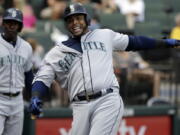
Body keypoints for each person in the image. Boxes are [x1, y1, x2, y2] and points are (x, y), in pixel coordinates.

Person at [29, 3, 180, 135]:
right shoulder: (57, 53)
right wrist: (36, 95)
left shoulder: (104, 35)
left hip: (107, 99)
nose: (75, 22)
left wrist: (165, 43)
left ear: (86, 20)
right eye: (70, 20)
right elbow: (42, 78)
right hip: (79, 105)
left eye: (79, 18)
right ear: (66, 24)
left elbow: (135, 42)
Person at [0, 8, 34, 135]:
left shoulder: (26, 47)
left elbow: (29, 75)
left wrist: (34, 97)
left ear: (20, 26)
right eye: (8, 22)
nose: (11, 26)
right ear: (3, 24)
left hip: (17, 101)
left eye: (15, 23)